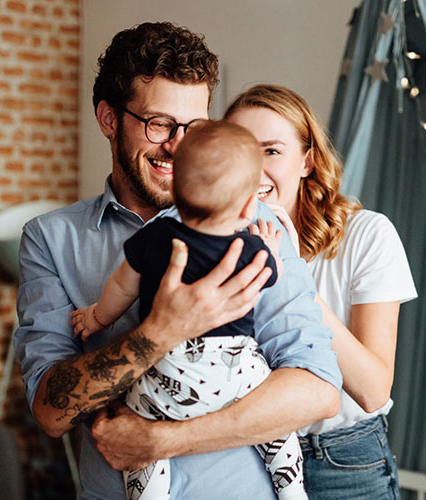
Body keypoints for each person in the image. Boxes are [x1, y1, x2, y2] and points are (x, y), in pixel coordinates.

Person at [14, 23, 341, 500]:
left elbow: (317, 391)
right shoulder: (51, 239)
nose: (177, 146)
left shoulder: (256, 225)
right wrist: (162, 331)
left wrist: (161, 441)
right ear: (108, 118)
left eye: (193, 128)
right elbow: (51, 411)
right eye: (159, 124)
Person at [70, 120, 308, 500]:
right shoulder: (249, 249)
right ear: (250, 205)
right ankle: (291, 488)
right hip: (234, 374)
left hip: (168, 373)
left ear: (175, 193)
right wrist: (271, 251)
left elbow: (121, 287)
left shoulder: (156, 237)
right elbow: (271, 276)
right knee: (278, 429)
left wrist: (97, 316)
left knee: (135, 425)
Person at [223, 84, 417, 499]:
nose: (254, 169)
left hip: (343, 461)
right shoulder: (216, 243)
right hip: (245, 456)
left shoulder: (367, 235)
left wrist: (292, 274)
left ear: (307, 161)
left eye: (272, 151)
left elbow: (373, 389)